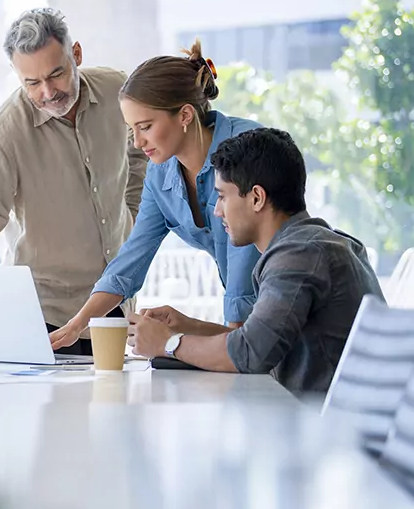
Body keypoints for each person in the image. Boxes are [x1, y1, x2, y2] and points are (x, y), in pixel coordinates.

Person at [0, 8, 147, 355]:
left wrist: (130, 212)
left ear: (77, 55)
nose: (48, 92)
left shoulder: (118, 89)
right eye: (32, 83)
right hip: (47, 319)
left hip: (114, 306)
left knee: (115, 407)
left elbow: (140, 151)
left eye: (56, 74)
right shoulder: (7, 132)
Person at [126, 128, 385, 396]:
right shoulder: (314, 243)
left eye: (223, 196)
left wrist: (169, 343)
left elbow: (250, 353)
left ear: (257, 198)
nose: (217, 210)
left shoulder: (299, 254)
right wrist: (187, 327)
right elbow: (259, 340)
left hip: (328, 430)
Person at [50, 41, 263, 351]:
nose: (137, 142)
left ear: (185, 115)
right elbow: (130, 262)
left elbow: (243, 275)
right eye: (132, 129)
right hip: (254, 327)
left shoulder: (245, 149)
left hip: (290, 306)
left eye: (146, 127)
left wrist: (218, 348)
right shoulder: (161, 174)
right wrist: (77, 325)